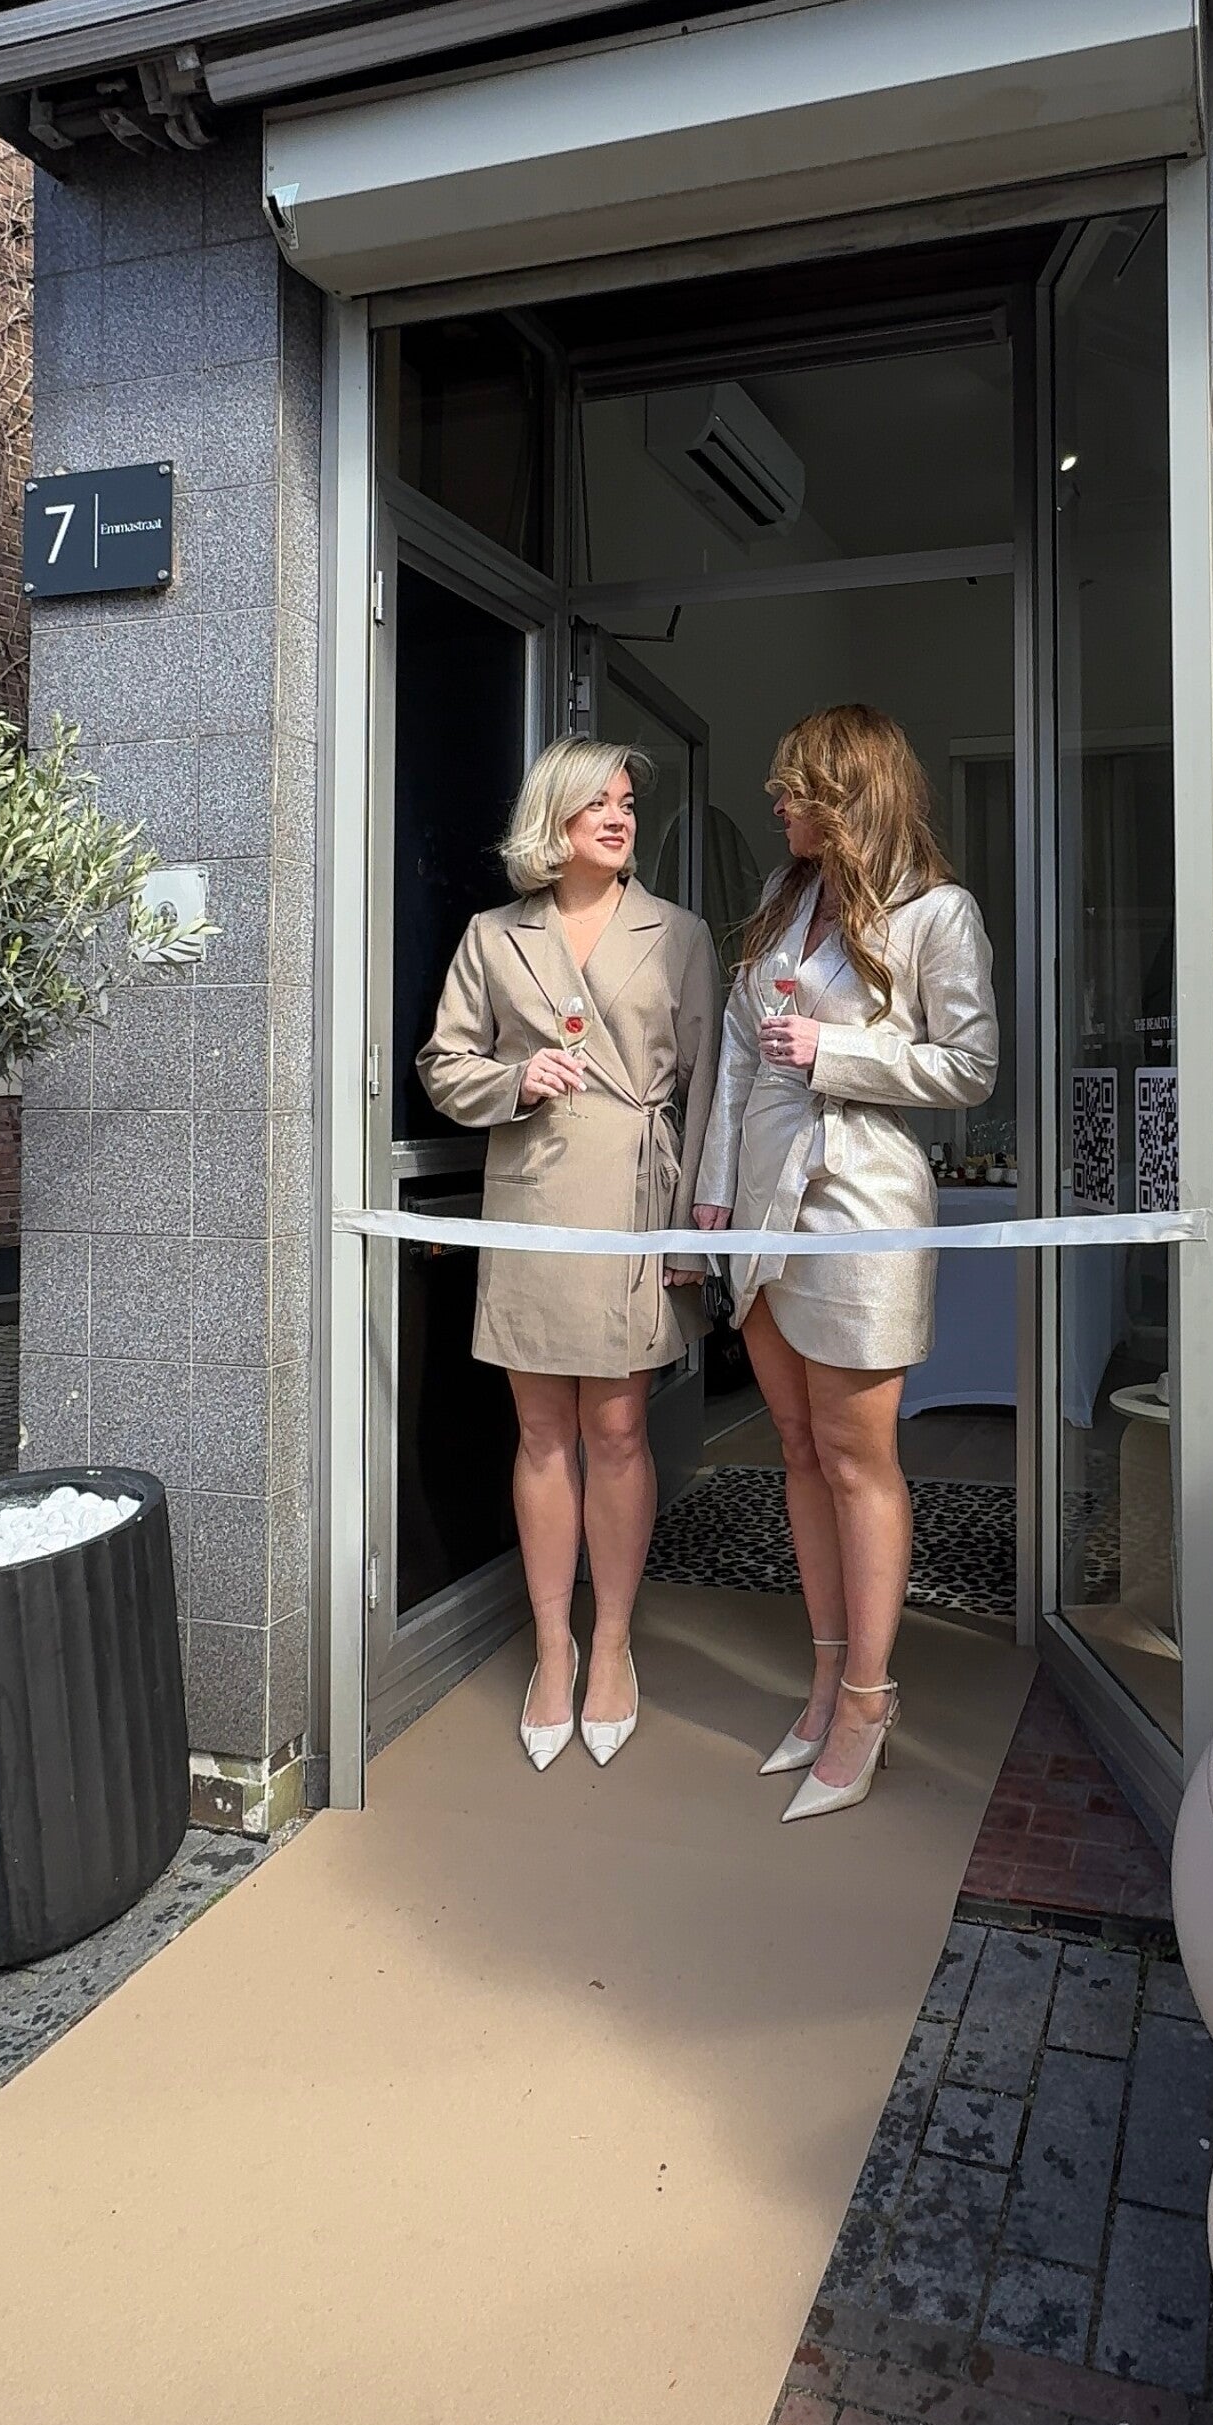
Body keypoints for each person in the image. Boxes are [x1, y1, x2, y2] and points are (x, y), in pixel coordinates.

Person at [692, 705, 997, 1823]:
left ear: (848, 791)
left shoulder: (936, 911)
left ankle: (869, 1698)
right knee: (798, 1447)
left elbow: (970, 1066)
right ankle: (825, 1681)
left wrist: (839, 1050)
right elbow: (737, 1056)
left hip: (861, 1197)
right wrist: (713, 1194)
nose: (777, 803)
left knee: (858, 1456)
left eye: (795, 787)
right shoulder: (785, 900)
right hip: (762, 1204)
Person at [419, 741, 721, 1773]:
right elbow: (443, 1064)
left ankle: (614, 1644)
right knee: (542, 1430)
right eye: (599, 803)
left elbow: (711, 1087)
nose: (620, 816)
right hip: (534, 1194)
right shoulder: (491, 935)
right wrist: (515, 1078)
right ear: (553, 817)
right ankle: (554, 1647)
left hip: (636, 1198)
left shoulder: (678, 933)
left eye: (628, 802)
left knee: (620, 1427)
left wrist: (692, 1229)